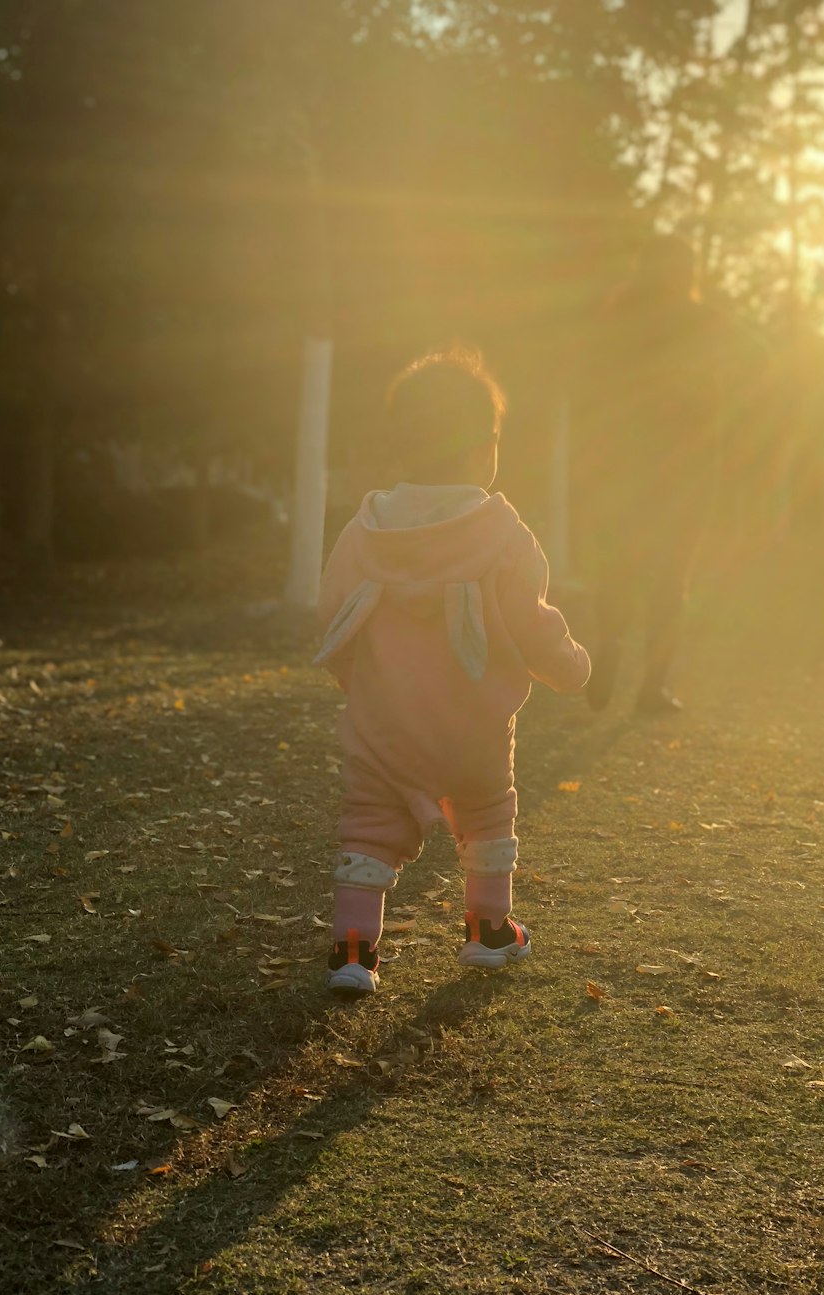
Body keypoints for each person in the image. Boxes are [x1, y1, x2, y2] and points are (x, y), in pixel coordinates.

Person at [315, 346, 591, 995]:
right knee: (489, 813)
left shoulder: (365, 528)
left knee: (370, 825)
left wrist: (361, 684)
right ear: (484, 446)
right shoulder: (501, 531)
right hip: (474, 721)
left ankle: (354, 950)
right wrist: (573, 668)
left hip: (384, 723)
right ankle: (489, 933)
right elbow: (533, 621)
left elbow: (333, 615)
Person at [572, 234, 746, 714]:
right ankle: (652, 688)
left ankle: (609, 647)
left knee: (618, 568)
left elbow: (589, 391)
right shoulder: (705, 323)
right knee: (672, 579)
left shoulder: (613, 319)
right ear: (687, 273)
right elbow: (752, 368)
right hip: (685, 471)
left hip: (623, 469)